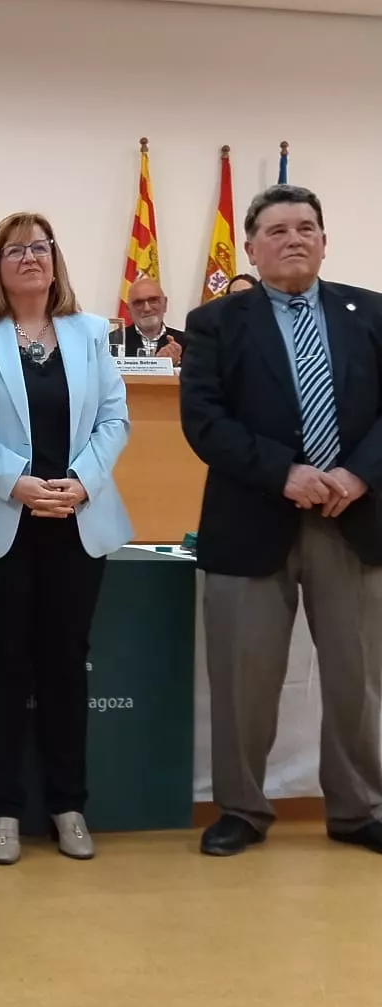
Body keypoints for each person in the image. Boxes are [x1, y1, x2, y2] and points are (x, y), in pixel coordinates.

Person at [181, 182, 382, 857]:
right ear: (251, 246)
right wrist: (284, 474)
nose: (293, 239)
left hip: (354, 520)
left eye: (306, 227)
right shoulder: (214, 324)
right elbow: (205, 421)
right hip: (252, 519)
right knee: (245, 678)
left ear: (325, 240)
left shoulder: (372, 314)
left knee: (358, 677)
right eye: (277, 230)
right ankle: (241, 808)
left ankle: (358, 809)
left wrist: (357, 474)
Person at [0, 214, 131, 865]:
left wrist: (80, 481)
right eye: (15, 249)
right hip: (2, 523)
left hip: (77, 521)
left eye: (40, 248)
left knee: (63, 667)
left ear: (56, 261)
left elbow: (114, 418)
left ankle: (67, 804)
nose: (29, 258)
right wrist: (17, 483)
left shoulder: (91, 332)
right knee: (0, 666)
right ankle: (1, 809)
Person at [123, 276, 184, 362]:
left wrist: (174, 366)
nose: (147, 309)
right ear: (129, 310)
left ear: (165, 304)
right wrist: (160, 365)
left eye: (153, 300)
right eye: (139, 303)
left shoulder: (188, 343)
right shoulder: (111, 343)